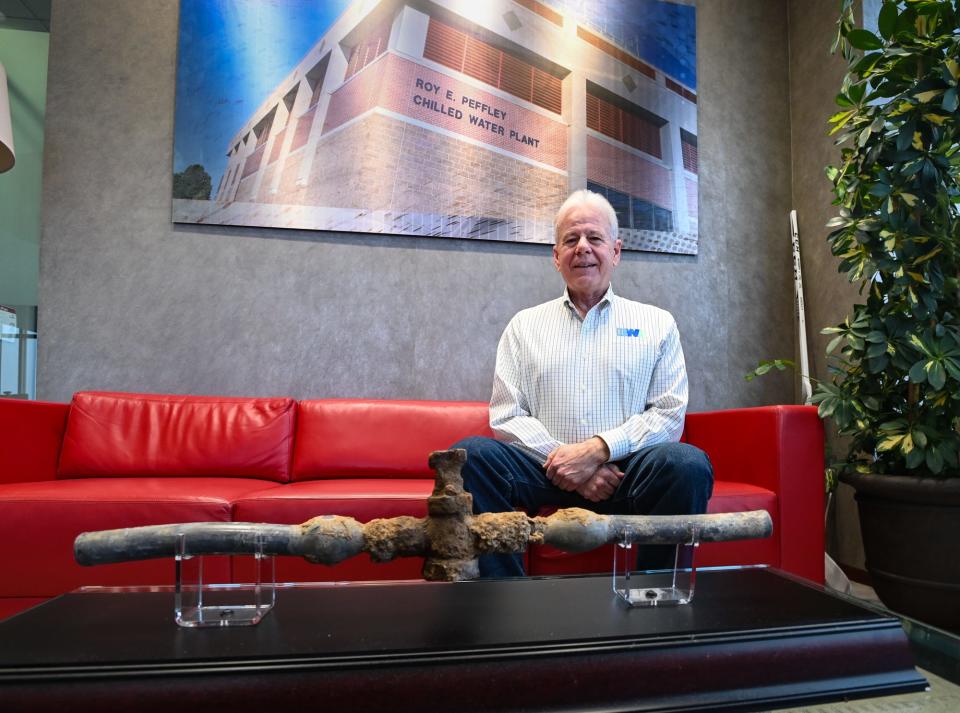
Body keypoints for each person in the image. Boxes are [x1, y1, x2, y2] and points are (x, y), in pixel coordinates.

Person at [452, 189, 713, 577]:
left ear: (617, 251)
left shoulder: (658, 324)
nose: (583, 248)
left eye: (595, 238)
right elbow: (507, 415)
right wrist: (569, 464)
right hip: (542, 471)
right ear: (556, 256)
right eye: (571, 240)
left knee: (686, 463)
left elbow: (669, 416)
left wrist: (598, 451)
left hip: (626, 474)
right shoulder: (524, 326)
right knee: (471, 455)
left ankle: (657, 599)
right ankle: (503, 602)